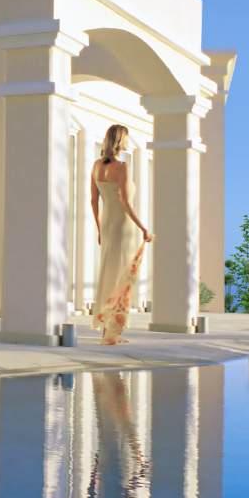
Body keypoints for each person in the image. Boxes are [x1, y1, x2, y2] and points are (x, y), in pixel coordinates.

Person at [90, 124, 152, 345]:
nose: (127, 141)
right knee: (122, 275)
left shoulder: (97, 166)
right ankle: (112, 331)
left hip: (108, 225)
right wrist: (143, 228)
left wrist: (99, 228)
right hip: (123, 226)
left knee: (108, 272)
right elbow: (125, 202)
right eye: (126, 138)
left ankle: (107, 328)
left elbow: (93, 201)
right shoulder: (122, 167)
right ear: (119, 141)